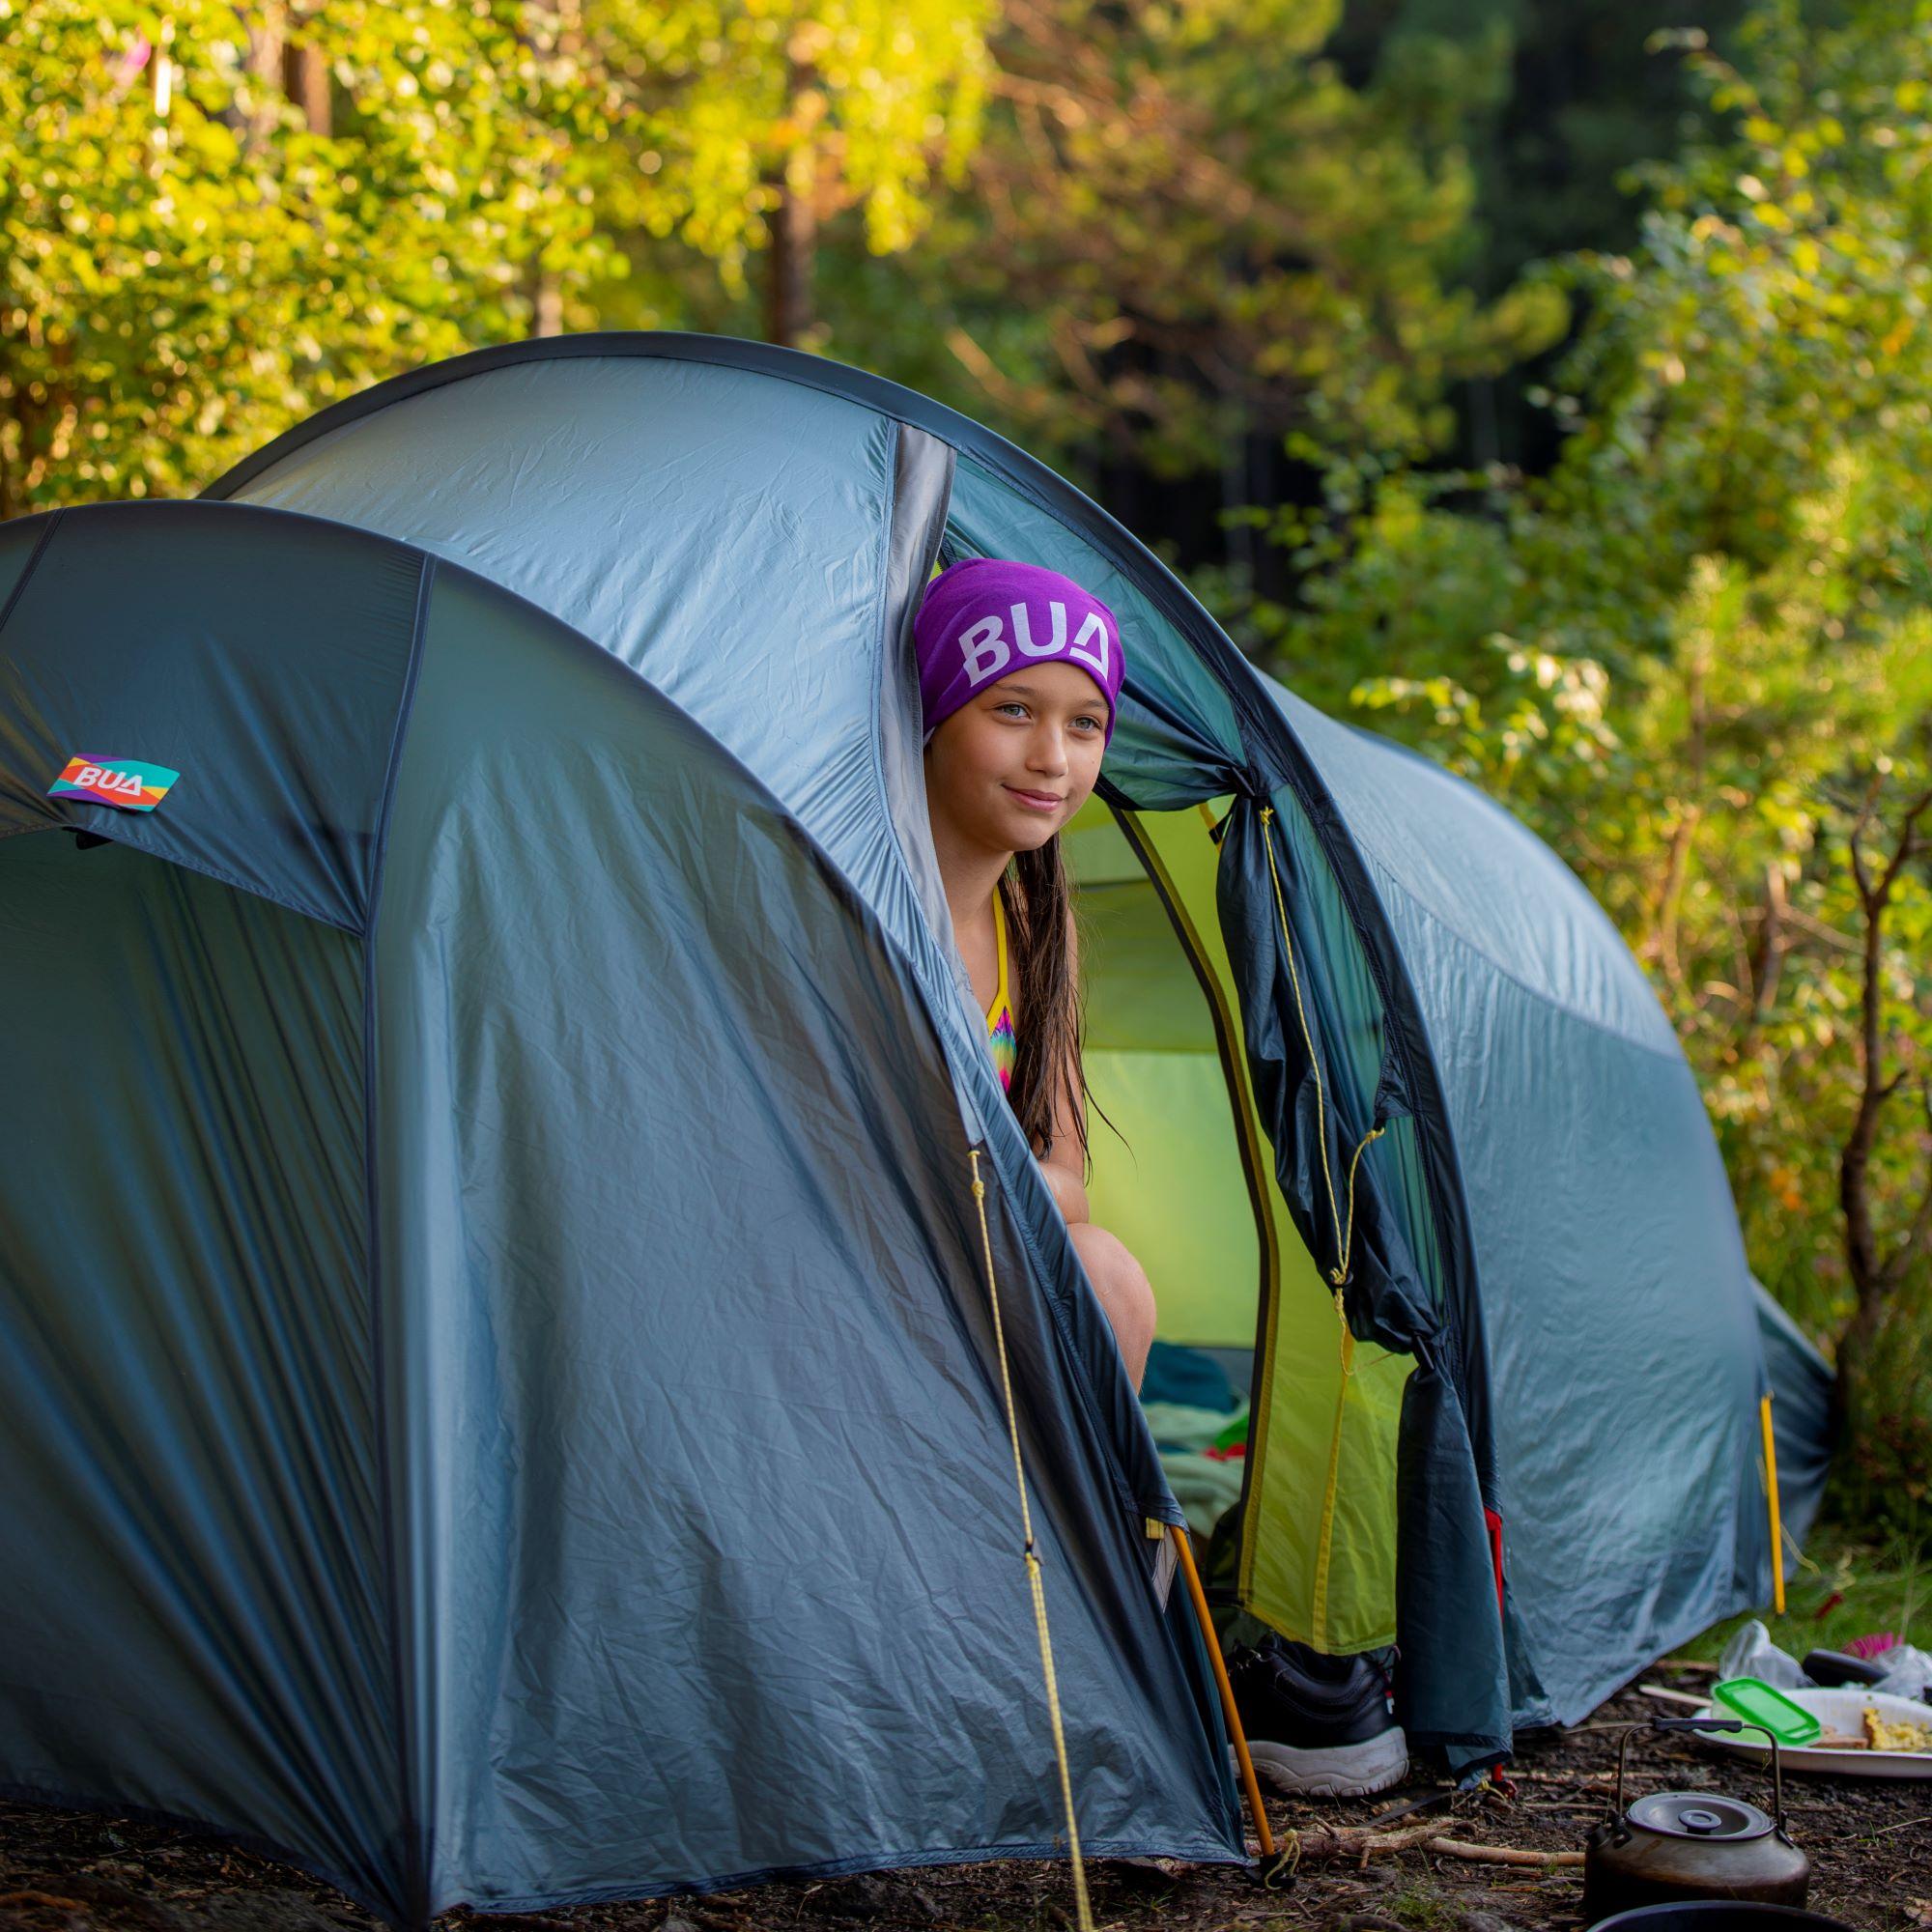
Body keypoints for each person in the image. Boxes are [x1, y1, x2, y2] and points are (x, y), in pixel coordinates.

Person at [913, 556, 1157, 1389]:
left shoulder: (1033, 931)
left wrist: (995, 1190)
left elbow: (1066, 1177)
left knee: (1109, 1274)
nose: (1053, 758)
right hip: (853, 1269)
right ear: (934, 712)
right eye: (1013, 710)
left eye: (1086, 724)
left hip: (984, 1264)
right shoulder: (853, 910)